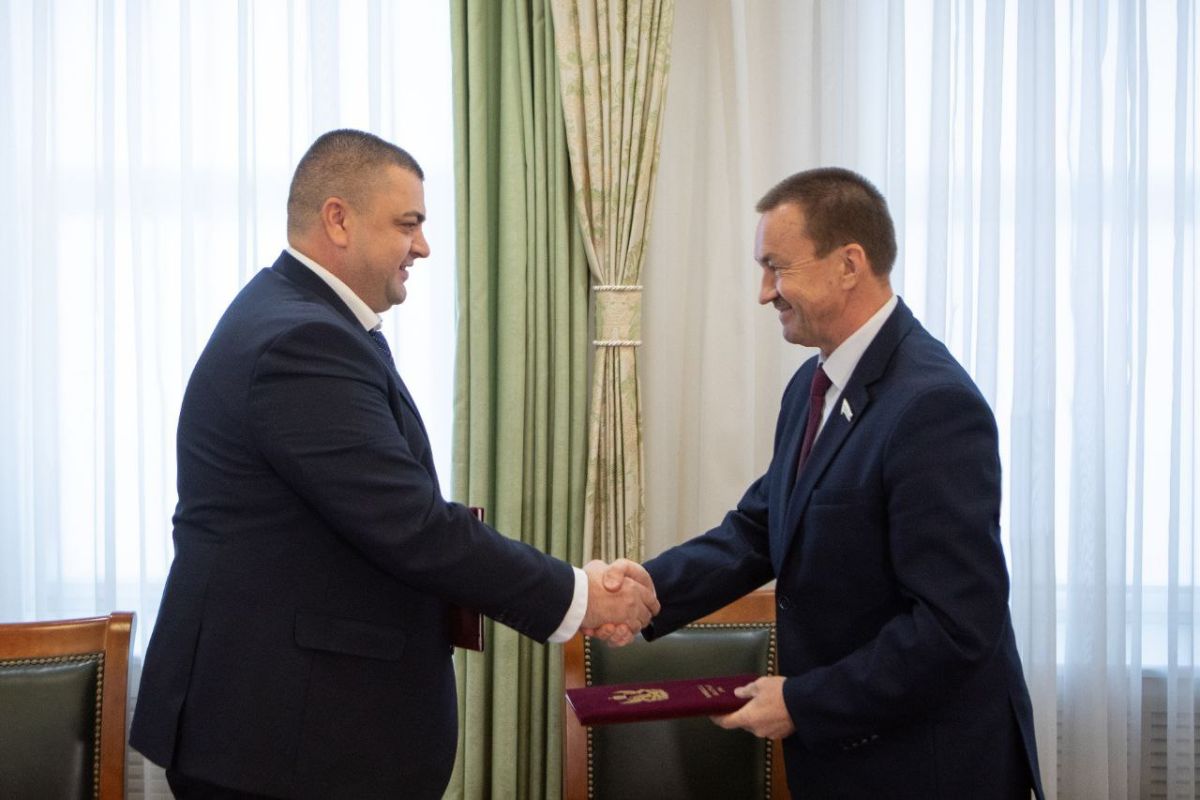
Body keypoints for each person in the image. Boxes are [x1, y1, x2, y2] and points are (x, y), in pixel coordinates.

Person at [129, 129, 658, 800]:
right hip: (282, 747)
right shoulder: (302, 339)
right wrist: (579, 596)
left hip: (293, 736)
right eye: (408, 224)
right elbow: (411, 525)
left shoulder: (302, 318)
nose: (424, 246)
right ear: (339, 219)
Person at [634, 168, 1044, 798]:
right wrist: (647, 590)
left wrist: (805, 701)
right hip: (845, 763)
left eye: (776, 268)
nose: (765, 293)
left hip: (926, 768)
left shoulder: (933, 406)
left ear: (849, 264)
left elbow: (954, 625)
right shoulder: (812, 384)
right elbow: (761, 529)